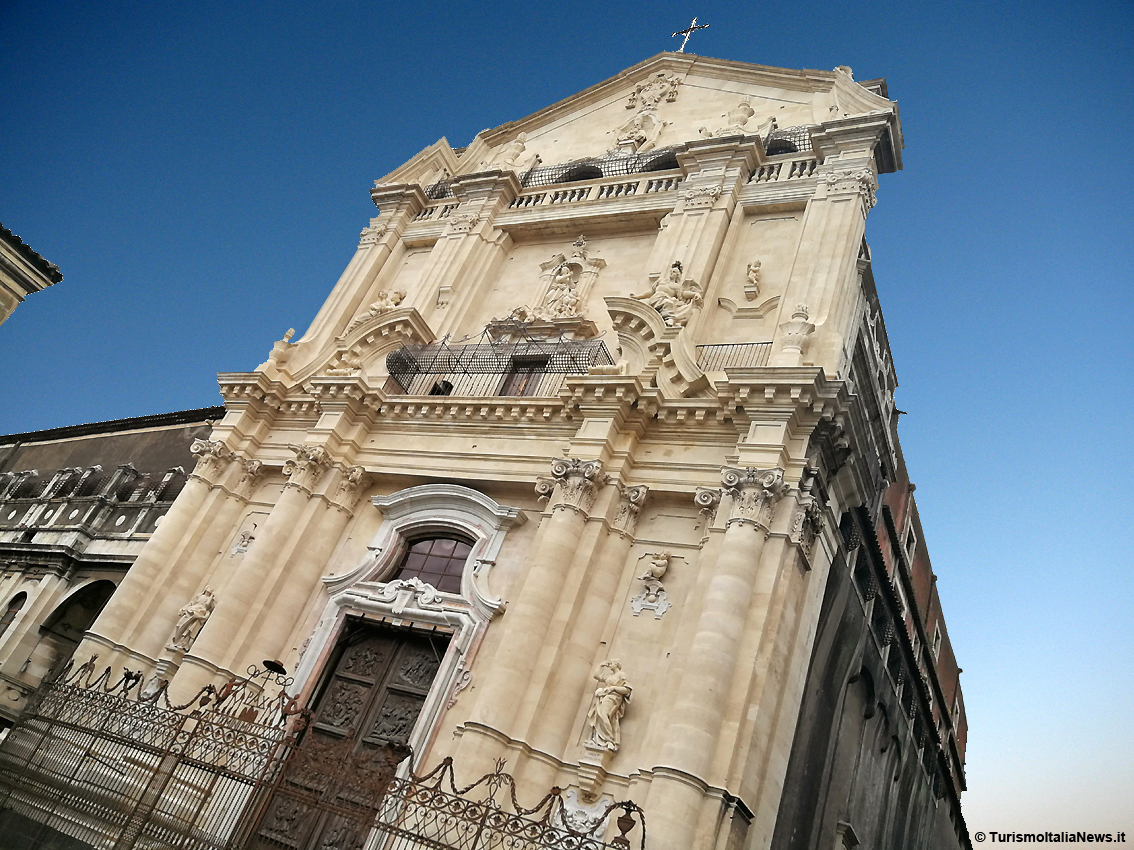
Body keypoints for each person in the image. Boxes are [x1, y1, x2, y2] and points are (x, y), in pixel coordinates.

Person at [586, 659, 632, 751]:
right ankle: (599, 739)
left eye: (612, 663)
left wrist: (613, 688)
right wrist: (601, 665)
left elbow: (627, 690)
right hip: (604, 696)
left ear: (617, 664)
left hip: (614, 698)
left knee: (603, 714)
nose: (610, 664)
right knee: (599, 714)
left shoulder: (621, 675)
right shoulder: (610, 676)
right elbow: (596, 676)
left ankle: (609, 739)